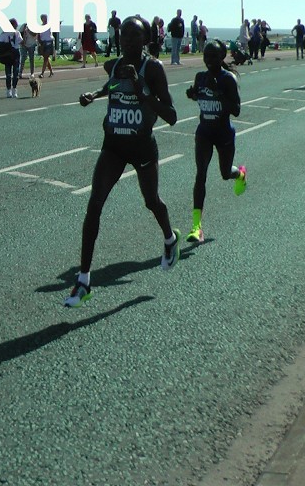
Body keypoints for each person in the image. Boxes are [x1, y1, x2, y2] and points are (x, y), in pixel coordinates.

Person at [65, 16, 181, 307]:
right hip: (114, 146)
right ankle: (83, 280)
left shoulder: (152, 68)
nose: (128, 40)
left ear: (145, 40)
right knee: (94, 205)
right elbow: (113, 87)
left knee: (152, 201)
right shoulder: (115, 65)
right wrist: (94, 94)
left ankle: (169, 239)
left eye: (134, 36)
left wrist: (140, 84)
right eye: (124, 35)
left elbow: (171, 115)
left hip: (142, 147)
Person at [184, 40, 247, 244]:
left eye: (213, 56)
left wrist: (219, 92)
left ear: (222, 58)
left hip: (223, 134)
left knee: (224, 173)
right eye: (206, 56)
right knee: (200, 175)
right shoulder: (200, 77)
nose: (209, 60)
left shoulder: (227, 79)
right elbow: (200, 96)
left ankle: (240, 174)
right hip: (204, 132)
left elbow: (236, 109)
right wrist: (193, 94)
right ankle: (196, 228)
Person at [0, 18, 22, 98]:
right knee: (8, 74)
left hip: (16, 54)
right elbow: (1, 44)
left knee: (16, 73)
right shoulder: (4, 34)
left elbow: (21, 42)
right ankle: (8, 90)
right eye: (15, 24)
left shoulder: (17, 33)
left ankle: (14, 89)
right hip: (8, 55)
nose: (16, 26)